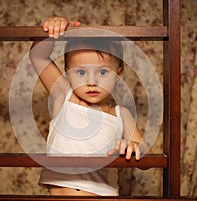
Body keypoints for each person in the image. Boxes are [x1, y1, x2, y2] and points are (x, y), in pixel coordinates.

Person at [29, 16, 148, 196]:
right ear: (68, 73)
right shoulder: (64, 95)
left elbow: (146, 155)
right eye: (81, 71)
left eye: (102, 72)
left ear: (119, 72)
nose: (92, 81)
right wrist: (52, 31)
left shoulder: (121, 115)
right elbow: (38, 56)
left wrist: (132, 147)